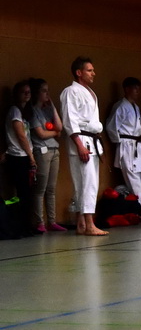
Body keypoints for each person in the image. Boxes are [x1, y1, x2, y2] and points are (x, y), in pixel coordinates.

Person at [60, 56, 108, 236]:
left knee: (88, 183)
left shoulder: (88, 91)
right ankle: (89, 224)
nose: (93, 73)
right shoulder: (70, 92)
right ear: (79, 73)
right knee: (86, 184)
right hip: (81, 140)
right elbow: (69, 120)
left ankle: (81, 223)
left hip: (91, 140)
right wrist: (79, 145)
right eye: (90, 70)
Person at [106, 77, 141, 222]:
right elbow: (111, 127)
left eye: (138, 89)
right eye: (135, 88)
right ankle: (140, 211)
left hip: (136, 145)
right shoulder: (120, 106)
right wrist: (120, 141)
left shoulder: (135, 106)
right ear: (127, 89)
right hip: (127, 145)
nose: (137, 92)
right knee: (134, 180)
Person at [29, 78, 66, 232]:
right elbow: (41, 134)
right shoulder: (32, 111)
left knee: (51, 188)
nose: (47, 94)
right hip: (41, 151)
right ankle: (40, 222)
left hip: (54, 150)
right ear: (36, 93)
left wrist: (52, 107)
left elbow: (60, 127)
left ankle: (52, 220)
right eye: (44, 91)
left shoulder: (47, 109)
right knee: (41, 188)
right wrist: (55, 133)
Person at [5, 80, 37, 233]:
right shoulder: (14, 111)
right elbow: (20, 135)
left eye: (28, 92)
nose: (26, 94)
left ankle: (27, 224)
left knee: (28, 193)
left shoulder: (25, 112)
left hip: (25, 154)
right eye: (23, 92)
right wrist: (31, 156)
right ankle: (21, 226)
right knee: (22, 192)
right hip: (18, 156)